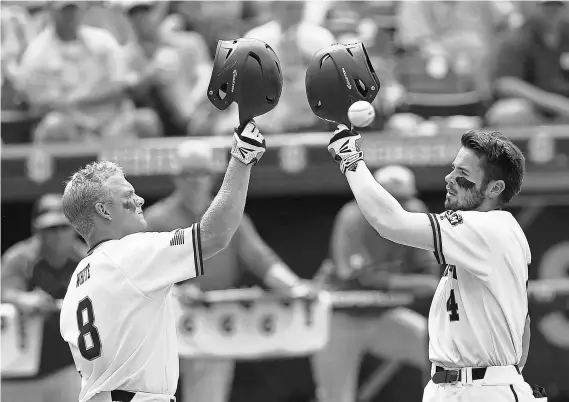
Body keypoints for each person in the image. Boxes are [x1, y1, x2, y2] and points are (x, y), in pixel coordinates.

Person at [306, 42, 547, 402]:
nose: (449, 179)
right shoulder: (477, 231)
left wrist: (349, 156)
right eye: (452, 168)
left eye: (463, 173)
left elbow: (391, 222)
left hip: (483, 389)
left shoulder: (491, 228)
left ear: (495, 188)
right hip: (453, 386)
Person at [59, 37, 281, 402]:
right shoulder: (128, 254)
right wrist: (242, 157)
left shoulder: (76, 284)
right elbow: (214, 235)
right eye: (127, 196)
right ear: (102, 210)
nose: (140, 198)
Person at [144, 139, 312, 402]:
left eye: (201, 173)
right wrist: (174, 291)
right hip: (163, 321)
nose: (195, 181)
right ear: (175, 177)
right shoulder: (156, 219)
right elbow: (140, 275)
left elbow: (261, 259)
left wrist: (295, 287)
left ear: (212, 177)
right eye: (188, 174)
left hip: (210, 322)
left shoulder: (229, 216)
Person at [312, 165, 438, 402]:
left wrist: (410, 282)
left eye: (402, 199)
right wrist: (409, 283)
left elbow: (430, 274)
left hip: (380, 317)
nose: (396, 206)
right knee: (335, 398)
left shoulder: (413, 214)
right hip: (338, 319)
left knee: (443, 351)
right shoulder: (353, 215)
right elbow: (359, 276)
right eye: (388, 198)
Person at [16, 0, 162, 143]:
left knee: (146, 121)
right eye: (64, 10)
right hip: (72, 126)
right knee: (54, 126)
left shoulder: (102, 40)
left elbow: (121, 83)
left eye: (73, 9)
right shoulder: (37, 54)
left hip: (113, 122)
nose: (70, 16)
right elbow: (40, 105)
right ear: (51, 11)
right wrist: (90, 95)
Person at [1, 193, 86, 402]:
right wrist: (22, 299)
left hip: (65, 367)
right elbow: (5, 291)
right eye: (50, 229)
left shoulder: (86, 259)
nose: (58, 235)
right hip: (18, 373)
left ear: (75, 228)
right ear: (37, 230)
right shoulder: (20, 258)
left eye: (63, 227)